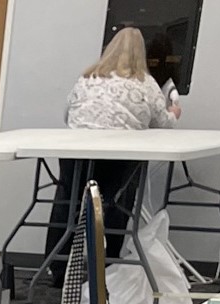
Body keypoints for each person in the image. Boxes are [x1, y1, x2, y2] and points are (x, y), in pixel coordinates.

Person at [47, 27, 180, 268]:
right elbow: (164, 124)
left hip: (76, 152)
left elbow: (68, 115)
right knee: (117, 205)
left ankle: (57, 267)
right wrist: (174, 112)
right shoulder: (146, 84)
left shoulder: (87, 77)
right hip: (119, 155)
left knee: (67, 203)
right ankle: (108, 267)